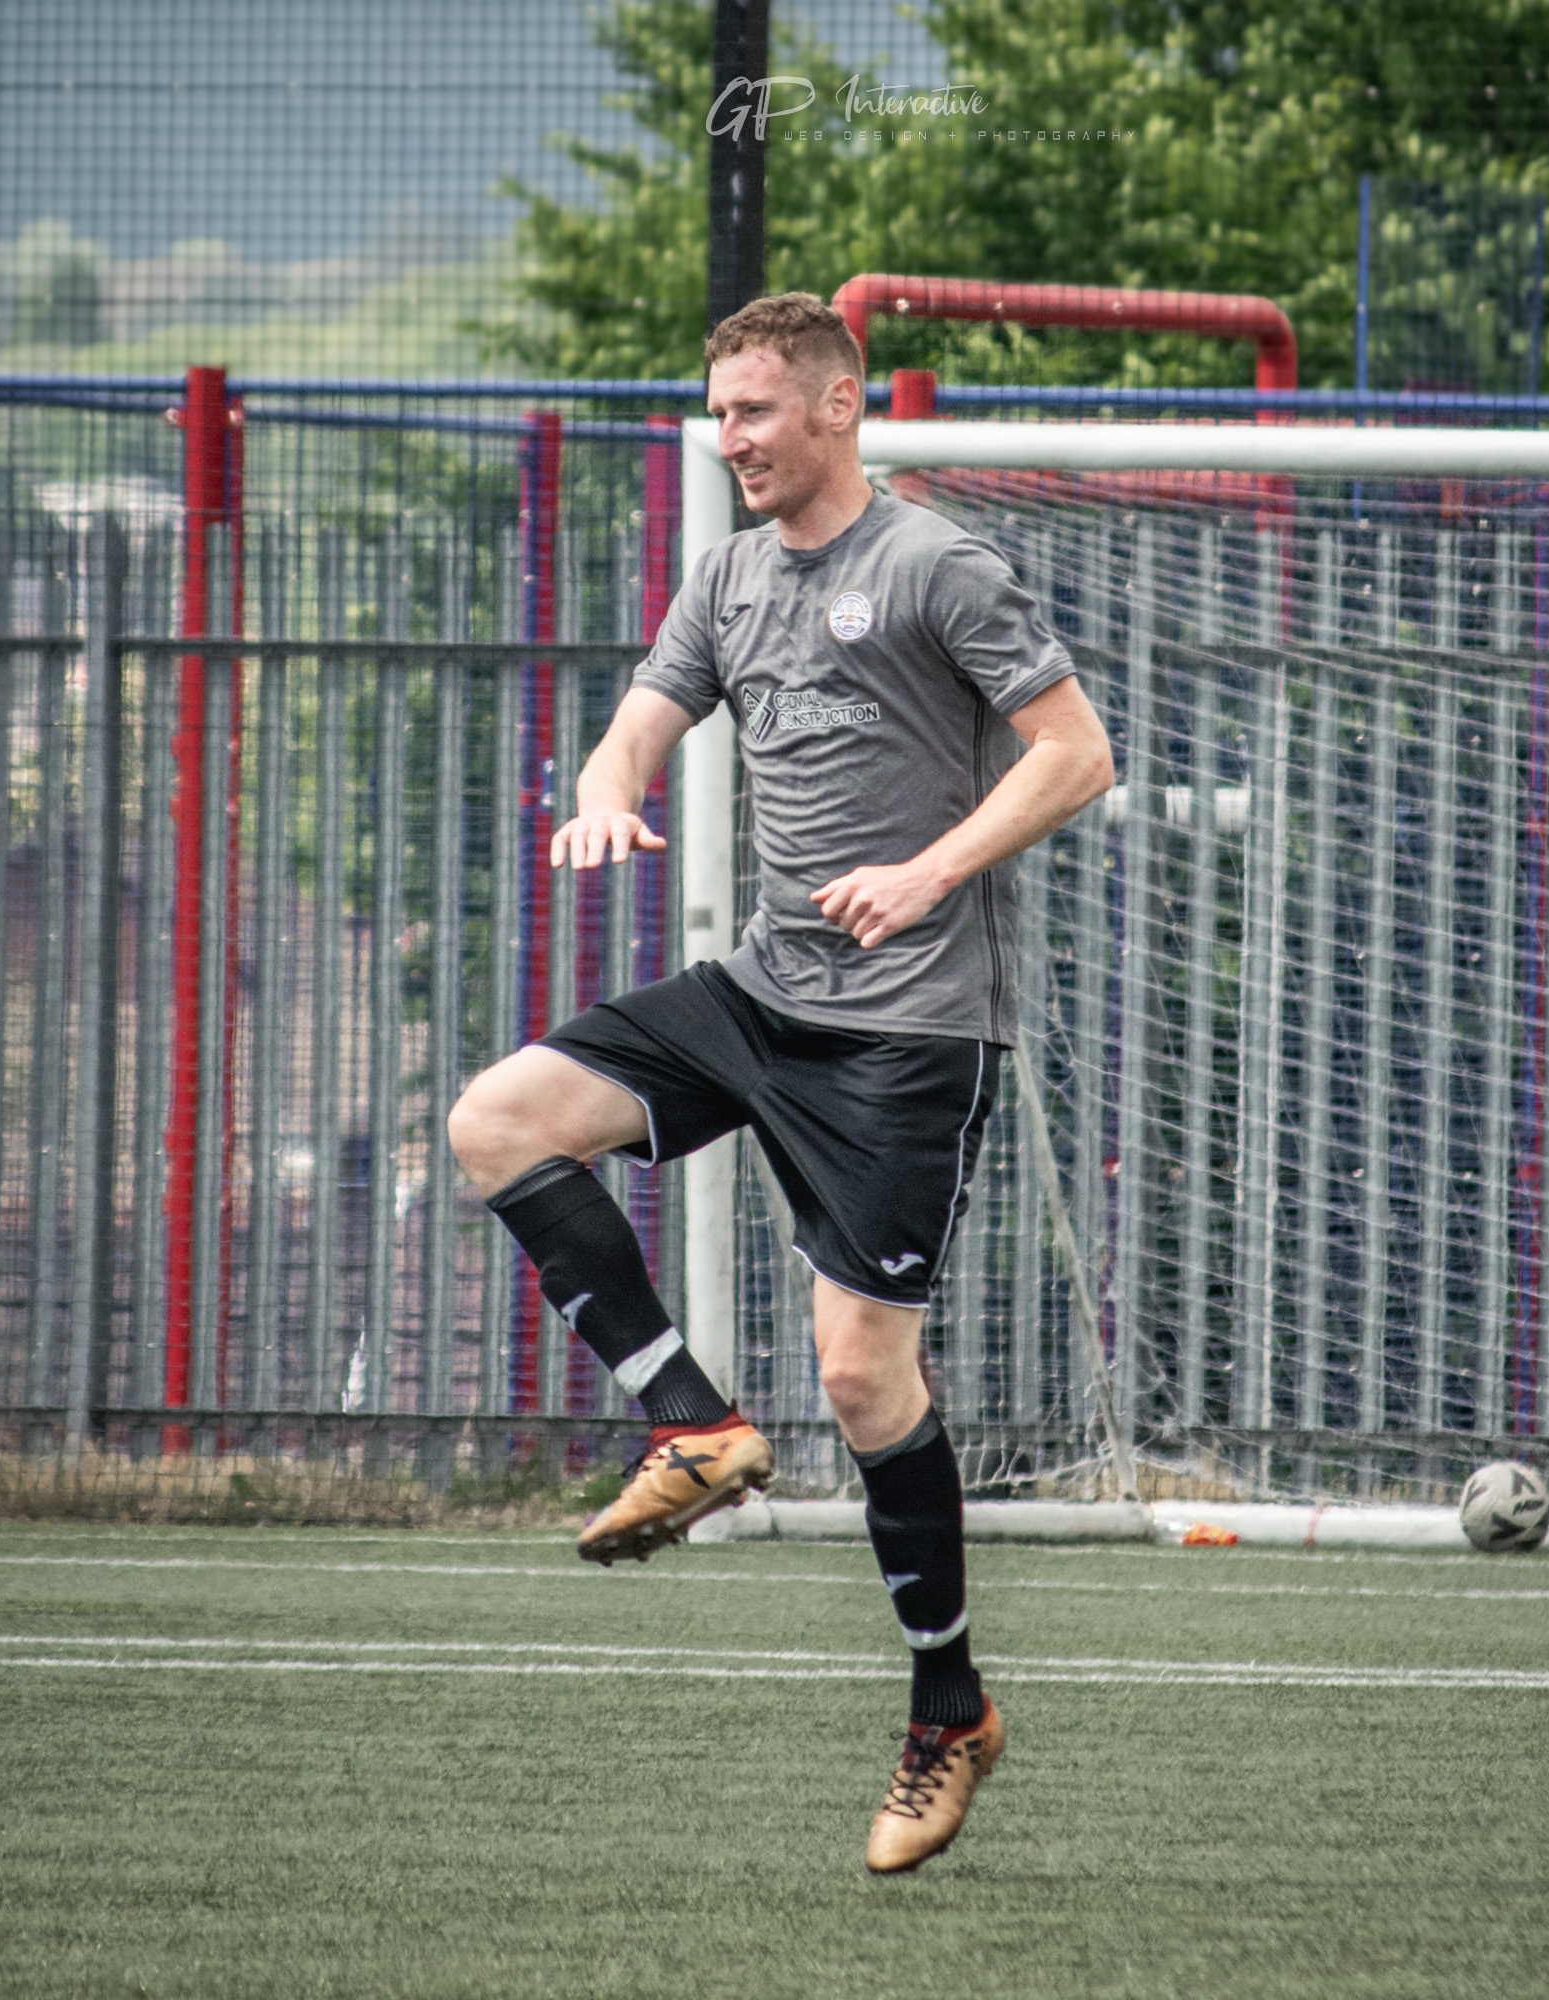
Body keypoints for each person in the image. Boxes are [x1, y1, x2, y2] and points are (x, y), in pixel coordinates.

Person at [442, 291, 1114, 1872]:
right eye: (717, 413)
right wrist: (607, 792)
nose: (729, 439)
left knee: (867, 1383)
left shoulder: (937, 566)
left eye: (752, 411)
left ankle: (948, 1711)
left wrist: (929, 871)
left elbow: (1077, 753)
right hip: (763, 993)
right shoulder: (729, 575)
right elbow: (633, 731)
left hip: (913, 1029)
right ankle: (692, 1426)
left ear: (836, 405)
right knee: (499, 1117)